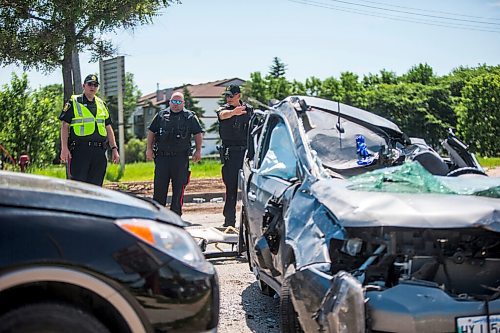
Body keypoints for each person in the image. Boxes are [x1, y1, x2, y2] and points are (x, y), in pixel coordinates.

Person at [146, 91, 203, 216]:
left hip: (180, 158)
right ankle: (158, 216)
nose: (175, 104)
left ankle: (176, 215)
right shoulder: (161, 115)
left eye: (178, 102)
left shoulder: (189, 117)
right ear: (170, 102)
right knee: (159, 189)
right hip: (162, 158)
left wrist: (198, 150)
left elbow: (198, 133)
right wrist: (149, 149)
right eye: (173, 101)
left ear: (183, 103)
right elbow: (151, 132)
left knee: (179, 188)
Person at [59, 74, 120, 186]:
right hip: (80, 151)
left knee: (96, 187)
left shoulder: (101, 104)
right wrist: (64, 148)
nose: (93, 87)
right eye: (90, 84)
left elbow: (108, 127)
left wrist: (114, 149)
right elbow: (64, 125)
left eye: (95, 85)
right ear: (84, 85)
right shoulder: (74, 102)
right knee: (79, 186)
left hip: (99, 151)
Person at [216, 85, 253, 227]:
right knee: (231, 189)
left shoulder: (249, 110)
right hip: (230, 153)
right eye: (227, 96)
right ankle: (229, 222)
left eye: (231, 96)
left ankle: (249, 223)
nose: (228, 98)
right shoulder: (224, 109)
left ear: (239, 95)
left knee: (249, 191)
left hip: (246, 153)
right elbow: (222, 115)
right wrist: (234, 113)